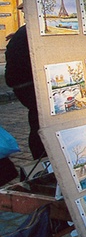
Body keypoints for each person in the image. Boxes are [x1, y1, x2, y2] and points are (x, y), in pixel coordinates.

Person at [5, 25, 46, 161]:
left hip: (23, 84)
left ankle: (41, 158)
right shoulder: (31, 31)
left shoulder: (25, 31)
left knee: (38, 121)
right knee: (40, 123)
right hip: (29, 83)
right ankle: (42, 159)